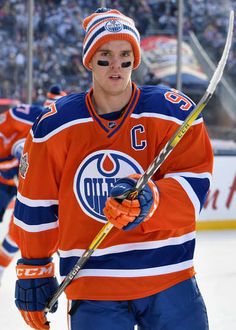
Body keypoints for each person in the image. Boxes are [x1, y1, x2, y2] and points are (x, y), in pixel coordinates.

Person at [13, 8, 213, 330]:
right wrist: (34, 266)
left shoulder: (172, 114)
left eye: (125, 56)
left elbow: (195, 184)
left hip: (169, 276)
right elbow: (37, 202)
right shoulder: (55, 126)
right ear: (89, 61)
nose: (116, 66)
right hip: (94, 282)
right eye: (105, 56)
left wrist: (151, 199)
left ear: (135, 60)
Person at [0, 87, 66, 284]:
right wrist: (11, 162)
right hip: (7, 180)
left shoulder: (70, 129)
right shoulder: (20, 117)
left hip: (40, 189)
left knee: (20, 232)